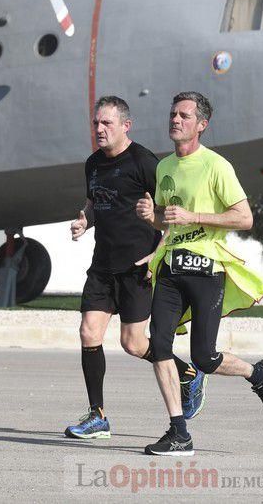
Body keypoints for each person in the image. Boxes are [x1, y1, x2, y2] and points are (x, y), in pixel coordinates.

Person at [136, 91, 263, 456]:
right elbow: (166, 220)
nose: (175, 120)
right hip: (170, 268)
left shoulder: (217, 166)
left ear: (201, 125)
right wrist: (149, 215)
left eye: (184, 115)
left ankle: (259, 375)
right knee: (160, 345)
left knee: (204, 357)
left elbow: (244, 218)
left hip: (206, 269)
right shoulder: (164, 167)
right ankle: (178, 431)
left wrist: (194, 217)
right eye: (173, 114)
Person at [65, 96, 206, 440]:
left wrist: (157, 254)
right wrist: (86, 220)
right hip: (102, 266)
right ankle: (97, 416)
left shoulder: (145, 162)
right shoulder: (93, 164)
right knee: (88, 332)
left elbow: (170, 212)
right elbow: (94, 201)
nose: (99, 129)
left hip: (137, 268)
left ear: (125, 126)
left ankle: (187, 372)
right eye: (96, 123)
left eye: (107, 124)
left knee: (133, 343)